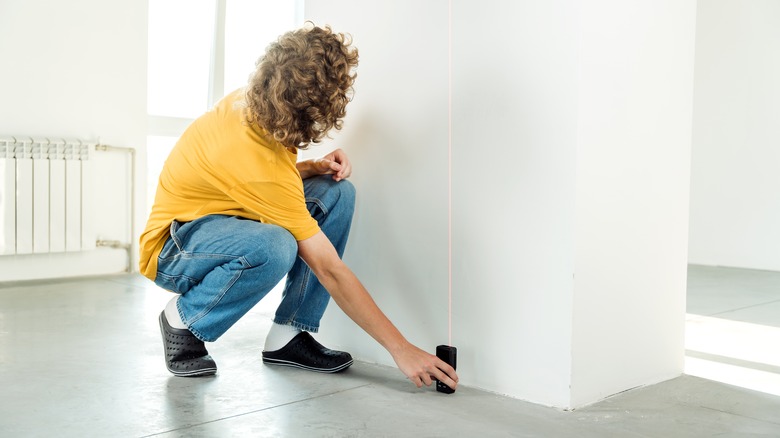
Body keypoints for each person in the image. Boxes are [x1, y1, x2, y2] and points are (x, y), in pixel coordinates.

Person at [139, 23, 458, 391]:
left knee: (337, 193)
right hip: (175, 248)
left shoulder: (253, 101)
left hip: (222, 221)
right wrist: (401, 349)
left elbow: (256, 179)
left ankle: (288, 335)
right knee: (275, 246)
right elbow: (329, 270)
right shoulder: (254, 162)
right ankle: (184, 319)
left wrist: (313, 167)